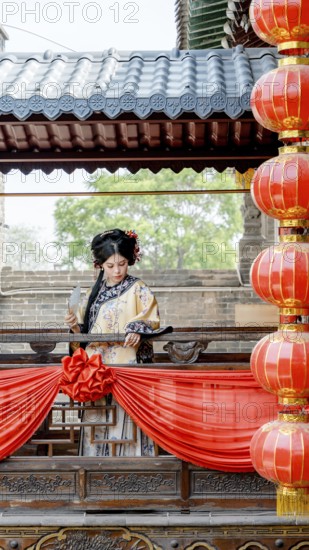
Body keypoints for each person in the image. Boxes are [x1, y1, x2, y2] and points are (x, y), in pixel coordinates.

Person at [64, 228, 160, 457]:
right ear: (100, 265)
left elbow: (151, 318)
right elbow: (83, 334)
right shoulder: (92, 293)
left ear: (131, 260)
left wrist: (138, 329)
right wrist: (74, 326)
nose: (117, 270)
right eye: (110, 265)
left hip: (126, 368)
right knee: (97, 422)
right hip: (96, 371)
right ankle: (95, 473)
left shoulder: (138, 289)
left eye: (123, 264)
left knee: (126, 419)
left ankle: (130, 473)